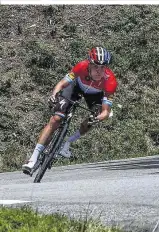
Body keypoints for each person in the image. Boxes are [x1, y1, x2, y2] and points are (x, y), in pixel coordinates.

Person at [22, 46, 118, 175]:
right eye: (96, 66)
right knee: (56, 118)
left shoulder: (110, 80)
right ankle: (33, 159)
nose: (99, 71)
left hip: (95, 95)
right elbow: (62, 83)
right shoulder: (81, 66)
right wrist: (54, 95)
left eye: (103, 67)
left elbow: (106, 112)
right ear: (89, 64)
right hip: (75, 88)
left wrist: (98, 117)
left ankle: (68, 143)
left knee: (94, 117)